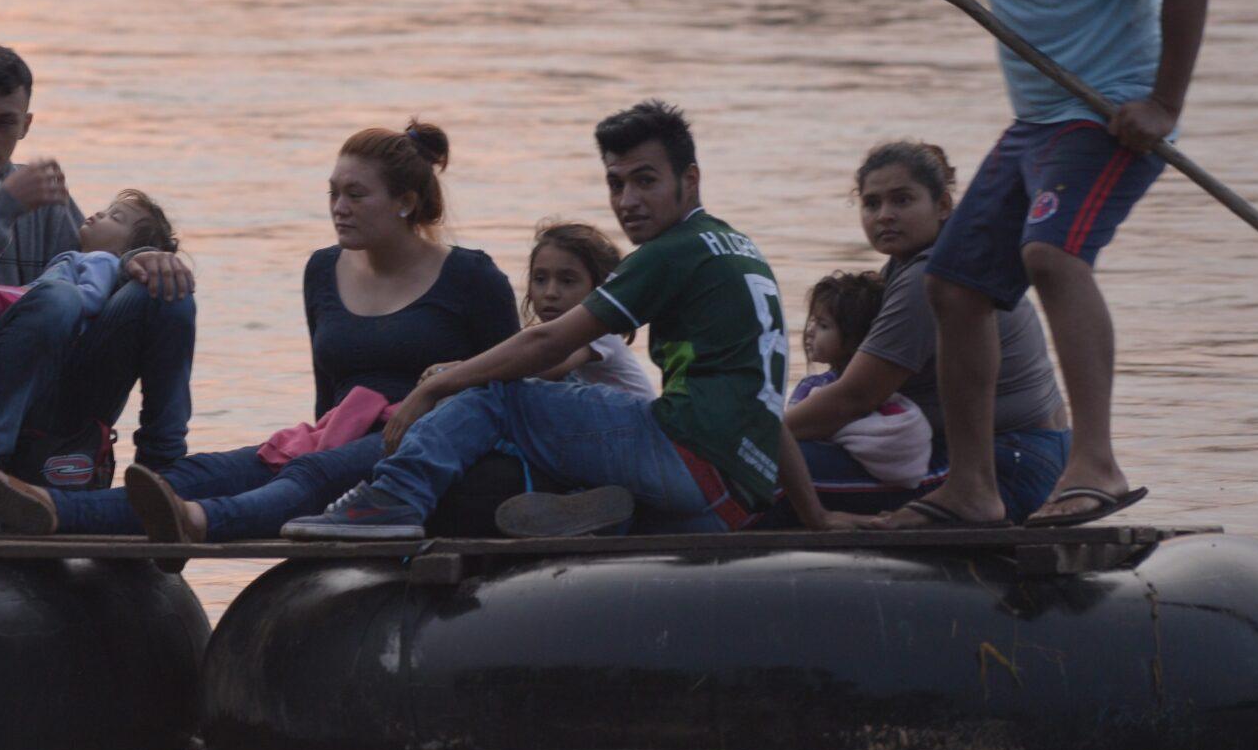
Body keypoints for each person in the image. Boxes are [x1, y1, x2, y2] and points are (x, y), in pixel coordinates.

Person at [724, 0, 1209, 527]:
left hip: (1104, 115)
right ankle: (973, 489)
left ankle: (1097, 462)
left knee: (1051, 257)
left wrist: (1162, 104)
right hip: (1037, 122)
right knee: (954, 283)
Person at [284, 101, 841, 540]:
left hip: (687, 461)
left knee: (497, 395)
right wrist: (814, 517)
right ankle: (604, 517)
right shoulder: (737, 246)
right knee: (573, 427)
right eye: (616, 183)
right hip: (733, 501)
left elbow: (549, 342)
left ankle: (391, 502)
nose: (628, 200)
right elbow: (767, 409)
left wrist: (439, 384)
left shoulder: (676, 250)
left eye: (646, 180)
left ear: (689, 180)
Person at [0, 120, 518, 541]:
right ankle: (40, 501)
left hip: (422, 446)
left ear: (406, 202)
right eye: (333, 193)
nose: (338, 207)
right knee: (203, 471)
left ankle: (181, 522)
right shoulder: (323, 269)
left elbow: (506, 394)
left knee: (307, 476)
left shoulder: (470, 276)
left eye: (356, 194)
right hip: (335, 435)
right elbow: (329, 396)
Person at [0, 45, 196, 504]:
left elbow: (91, 271)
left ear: (26, 125)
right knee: (55, 300)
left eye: (4, 122)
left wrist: (141, 262)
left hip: (60, 388)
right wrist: (1, 207)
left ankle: (163, 481)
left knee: (168, 290)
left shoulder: (42, 193)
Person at [781, 142, 1072, 525]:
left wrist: (763, 436)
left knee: (760, 472)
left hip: (1011, 463)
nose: (885, 216)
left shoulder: (930, 275)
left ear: (944, 206)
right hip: (1022, 454)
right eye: (872, 204)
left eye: (902, 200)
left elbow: (856, 396)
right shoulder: (915, 265)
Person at [0, 189, 178, 436]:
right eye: (108, 210)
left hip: (47, 312)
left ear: (122, 251)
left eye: (115, 218)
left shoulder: (102, 260)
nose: (100, 214)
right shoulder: (80, 256)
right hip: (37, 308)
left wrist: (46, 298)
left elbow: (92, 298)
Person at [788, 269, 930, 491]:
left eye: (824, 326)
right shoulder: (880, 386)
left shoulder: (823, 389)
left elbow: (790, 438)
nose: (810, 332)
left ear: (856, 338)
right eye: (813, 321)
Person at [521, 219, 653, 398]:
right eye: (540, 279)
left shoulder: (599, 333)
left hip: (636, 423)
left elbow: (545, 367)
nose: (550, 293)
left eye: (567, 281)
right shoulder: (559, 337)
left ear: (599, 290)